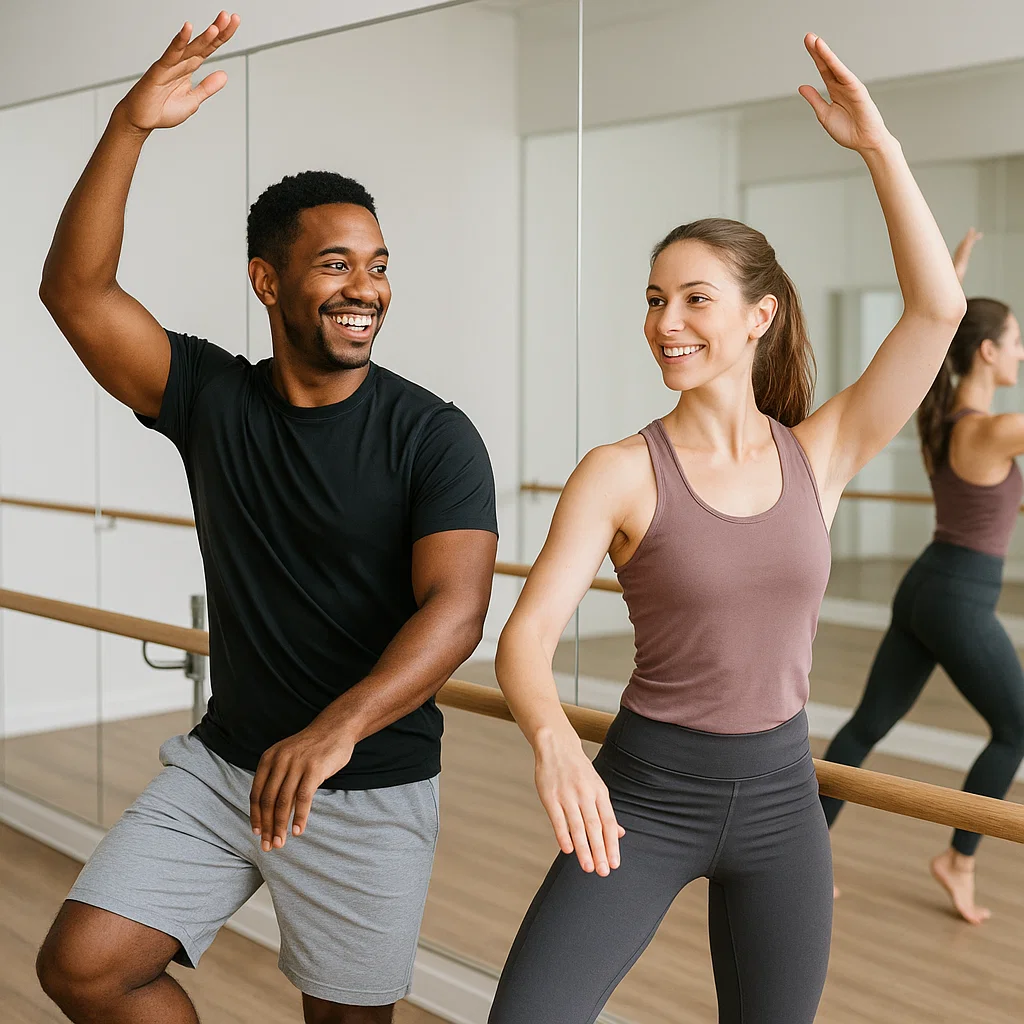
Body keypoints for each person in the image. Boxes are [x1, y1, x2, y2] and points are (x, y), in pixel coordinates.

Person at [486, 34, 966, 1024]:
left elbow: (937, 308)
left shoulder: (817, 454)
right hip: (643, 796)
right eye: (655, 299)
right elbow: (526, 637)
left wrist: (878, 147)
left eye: (695, 298)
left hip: (783, 802)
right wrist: (551, 740)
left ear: (759, 317)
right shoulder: (619, 472)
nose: (667, 320)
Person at [33, 13, 498, 1024]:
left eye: (376, 263)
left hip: (366, 780)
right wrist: (129, 126)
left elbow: (456, 612)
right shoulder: (212, 397)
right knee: (84, 965)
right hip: (225, 761)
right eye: (335, 264)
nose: (365, 287)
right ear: (268, 280)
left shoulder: (434, 436)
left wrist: (334, 730)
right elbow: (74, 292)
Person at [821, 228, 1024, 926]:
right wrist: (950, 294)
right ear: (990, 351)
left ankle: (807, 851)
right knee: (1017, 728)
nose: (1023, 353)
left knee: (869, 723)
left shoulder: (948, 418)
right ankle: (959, 858)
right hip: (957, 597)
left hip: (929, 588)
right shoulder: (989, 431)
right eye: (1017, 341)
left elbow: (935, 349)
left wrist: (949, 286)